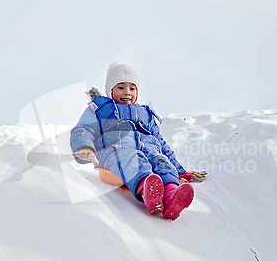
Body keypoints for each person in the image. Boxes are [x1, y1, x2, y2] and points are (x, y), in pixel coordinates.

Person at [70, 63, 205, 220]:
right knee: (132, 158)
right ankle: (148, 190)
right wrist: (84, 147)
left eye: (132, 88)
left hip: (148, 151)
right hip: (116, 152)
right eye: (121, 87)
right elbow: (85, 128)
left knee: (161, 159)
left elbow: (161, 143)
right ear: (110, 90)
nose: (127, 93)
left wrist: (180, 170)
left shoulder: (145, 113)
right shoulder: (100, 108)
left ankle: (171, 193)